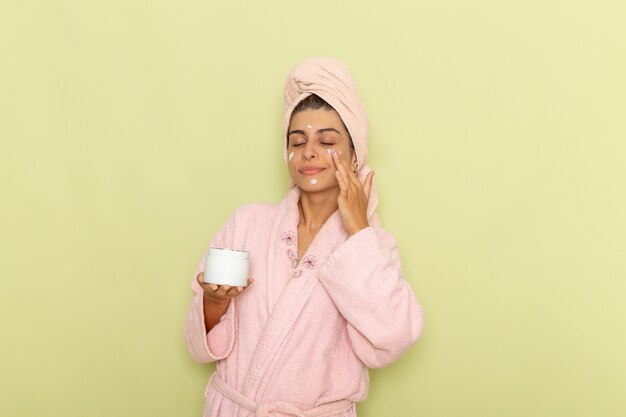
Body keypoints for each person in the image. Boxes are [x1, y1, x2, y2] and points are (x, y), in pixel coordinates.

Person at [184, 57, 424, 417]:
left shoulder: (372, 248)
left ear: (354, 154)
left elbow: (392, 339)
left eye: (326, 140)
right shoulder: (247, 223)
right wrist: (214, 304)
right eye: (297, 142)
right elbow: (197, 343)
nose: (308, 152)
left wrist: (358, 229)